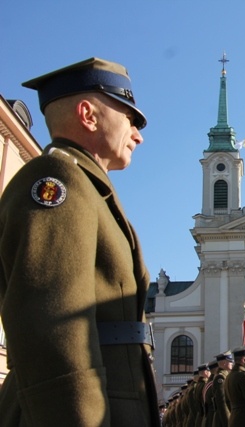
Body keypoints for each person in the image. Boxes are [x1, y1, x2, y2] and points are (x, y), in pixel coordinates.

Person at [0, 57, 159, 426]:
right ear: (88, 115)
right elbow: (53, 324)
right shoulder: (59, 180)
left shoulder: (89, 188)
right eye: (130, 119)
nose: (138, 134)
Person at [224, 346, 245, 427]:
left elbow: (227, 401)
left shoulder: (229, 376)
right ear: (244, 360)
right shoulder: (242, 375)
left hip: (234, 418)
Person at [213, 351, 234, 427]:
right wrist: (227, 421)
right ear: (224, 363)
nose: (232, 363)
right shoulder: (220, 378)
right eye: (230, 361)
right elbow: (222, 403)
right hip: (222, 419)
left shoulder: (224, 376)